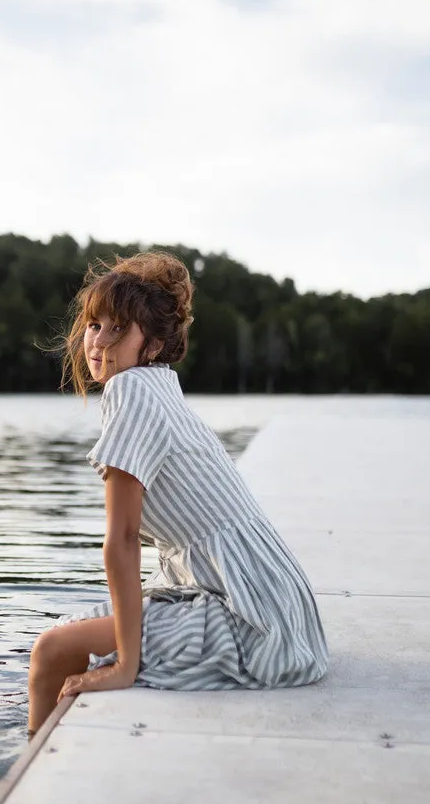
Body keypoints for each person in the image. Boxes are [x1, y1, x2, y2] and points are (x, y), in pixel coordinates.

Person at [27, 250, 328, 736]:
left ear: (153, 344)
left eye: (118, 328)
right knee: (75, 626)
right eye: (94, 325)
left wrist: (126, 664)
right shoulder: (158, 385)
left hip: (254, 625)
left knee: (51, 650)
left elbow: (122, 541)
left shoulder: (132, 394)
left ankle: (26, 774)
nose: (99, 341)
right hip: (275, 603)